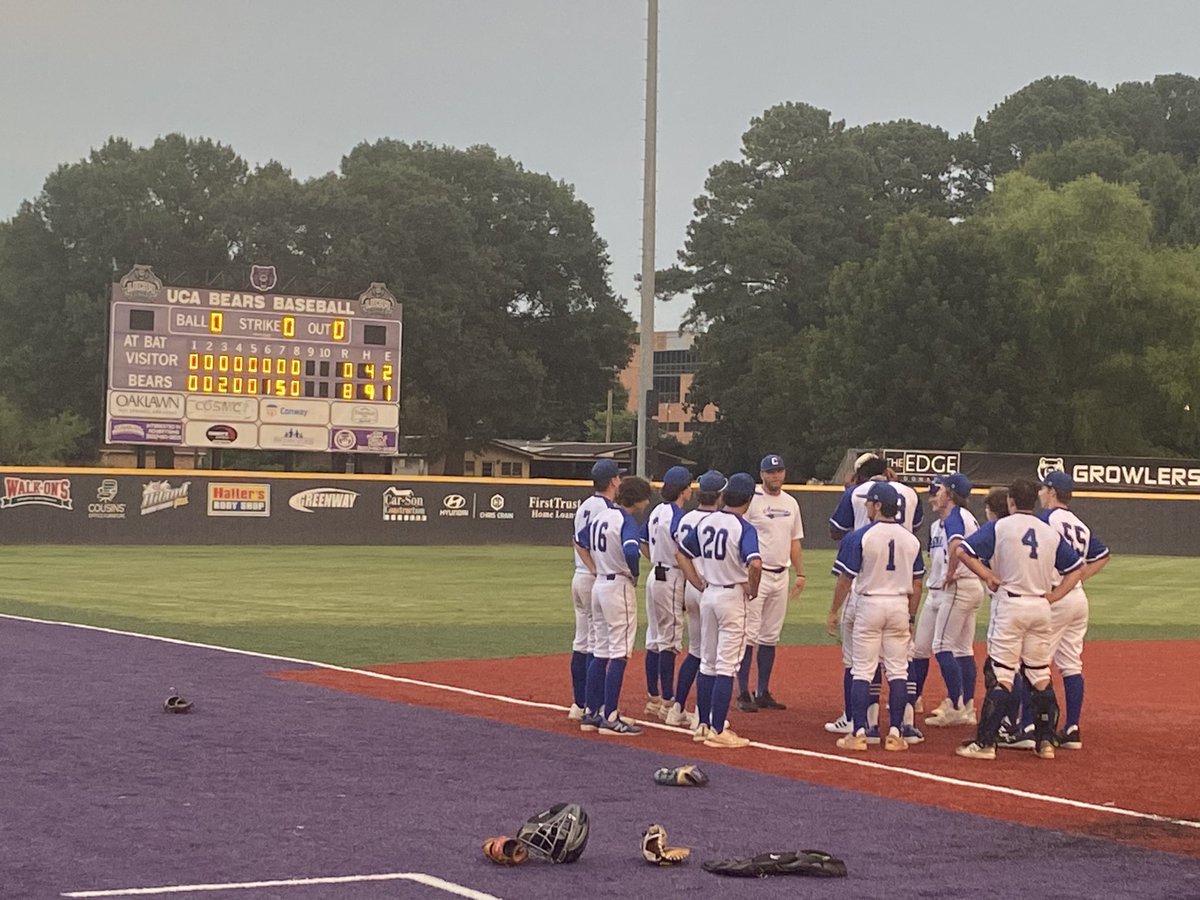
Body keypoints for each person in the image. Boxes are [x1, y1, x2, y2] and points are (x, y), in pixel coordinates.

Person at [954, 478, 1084, 760]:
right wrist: (1056, 594)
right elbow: (1076, 568)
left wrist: (987, 575)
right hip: (1040, 606)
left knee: (1001, 675)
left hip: (1011, 605)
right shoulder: (1048, 532)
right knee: (1039, 675)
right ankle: (1046, 742)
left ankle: (986, 743)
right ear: (1033, 502)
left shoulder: (1001, 526)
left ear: (1011, 501)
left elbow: (962, 550)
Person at [825, 454, 923, 741]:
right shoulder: (912, 540)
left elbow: (845, 579)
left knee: (862, 670)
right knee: (898, 670)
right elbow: (917, 583)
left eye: (870, 502)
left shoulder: (861, 536)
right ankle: (896, 730)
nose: (867, 505)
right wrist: (911, 615)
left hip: (869, 603)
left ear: (878, 505)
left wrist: (833, 611)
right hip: (899, 606)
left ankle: (860, 730)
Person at [677, 472, 763, 749]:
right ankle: (717, 729)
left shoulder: (706, 521)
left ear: (724, 496)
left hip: (709, 593)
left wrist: (696, 580)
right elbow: (756, 564)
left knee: (707, 662)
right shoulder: (744, 528)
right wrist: (753, 588)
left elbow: (682, 552)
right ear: (748, 500)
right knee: (726, 666)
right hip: (731, 596)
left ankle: (703, 724)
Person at [1035, 470, 1110, 749]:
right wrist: (1076, 579)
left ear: (1052, 492)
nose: (1041, 493)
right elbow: (1103, 555)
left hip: (1056, 599)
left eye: (1044, 488)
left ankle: (1031, 725)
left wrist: (1060, 588)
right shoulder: (1080, 524)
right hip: (1078, 600)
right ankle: (1073, 728)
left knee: (1034, 663)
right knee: (1071, 664)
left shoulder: (1046, 519)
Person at [577, 476, 653, 735]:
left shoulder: (601, 517)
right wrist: (635, 574)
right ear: (639, 499)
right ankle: (610, 716)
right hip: (617, 586)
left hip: (599, 583)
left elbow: (580, 539)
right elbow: (632, 551)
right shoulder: (626, 521)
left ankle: (590, 713)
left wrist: (595, 567)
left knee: (600, 651)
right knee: (619, 653)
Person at [738, 454, 806, 712]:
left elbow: (794, 541)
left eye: (779, 471)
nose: (775, 476)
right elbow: (739, 535)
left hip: (781, 574)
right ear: (762, 474)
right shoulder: (752, 500)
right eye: (770, 472)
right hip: (758, 574)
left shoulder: (791, 502)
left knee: (770, 636)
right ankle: (743, 691)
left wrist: (800, 573)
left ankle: (762, 690)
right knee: (749, 633)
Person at [920, 472, 985, 728]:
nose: (935, 495)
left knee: (941, 646)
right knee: (962, 649)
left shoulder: (956, 516)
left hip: (958, 586)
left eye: (940, 490)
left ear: (951, 493)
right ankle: (967, 706)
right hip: (969, 586)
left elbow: (956, 545)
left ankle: (956, 704)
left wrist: (949, 572)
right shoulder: (963, 517)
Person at [665, 470, 725, 729]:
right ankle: (703, 716)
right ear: (720, 495)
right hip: (710, 587)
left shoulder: (686, 517)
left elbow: (681, 553)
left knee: (696, 652)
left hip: (691, 586)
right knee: (711, 657)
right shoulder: (720, 520)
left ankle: (677, 708)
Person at [567, 459, 623, 723]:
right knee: (597, 644)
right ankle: (593, 706)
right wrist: (595, 568)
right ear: (612, 481)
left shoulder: (585, 506)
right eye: (618, 478)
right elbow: (582, 543)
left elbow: (576, 540)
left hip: (578, 577)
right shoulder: (606, 509)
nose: (620, 481)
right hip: (592, 579)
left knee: (582, 641)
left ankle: (579, 703)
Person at [640, 466, 693, 721]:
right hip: (670, 576)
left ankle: (653, 698)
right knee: (669, 641)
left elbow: (642, 542)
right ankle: (669, 702)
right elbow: (682, 553)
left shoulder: (656, 511)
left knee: (654, 637)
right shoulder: (678, 516)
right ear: (683, 490)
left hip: (654, 575)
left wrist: (655, 560)